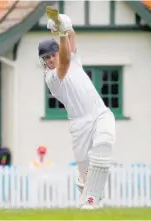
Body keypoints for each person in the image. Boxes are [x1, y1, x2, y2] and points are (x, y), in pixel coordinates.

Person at [38, 13, 115, 209]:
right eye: (46, 58)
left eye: (51, 55)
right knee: (85, 175)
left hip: (100, 113)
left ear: (58, 52)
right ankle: (87, 198)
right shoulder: (52, 78)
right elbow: (63, 63)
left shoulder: (73, 58)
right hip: (79, 125)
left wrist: (66, 24)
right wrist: (62, 33)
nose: (50, 60)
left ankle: (92, 199)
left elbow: (71, 40)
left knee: (104, 144)